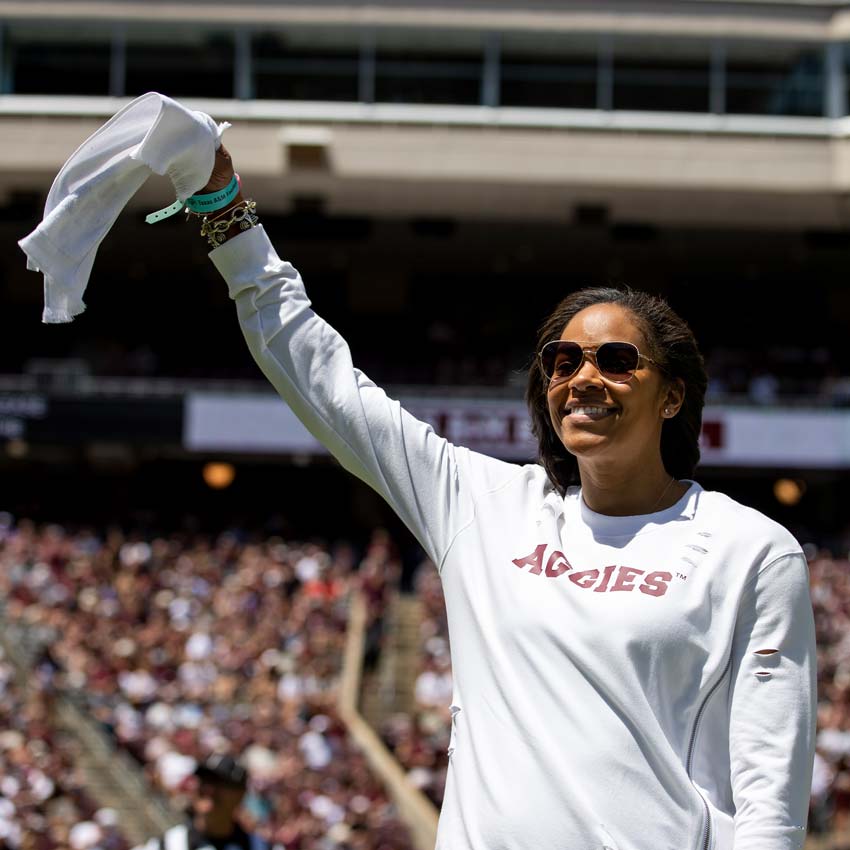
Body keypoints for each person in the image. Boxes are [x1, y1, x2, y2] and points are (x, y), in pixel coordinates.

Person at [194, 145, 817, 850]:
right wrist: (224, 211)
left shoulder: (753, 552)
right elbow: (325, 383)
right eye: (564, 359)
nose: (584, 377)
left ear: (673, 393)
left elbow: (771, 794)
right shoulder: (482, 505)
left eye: (617, 361)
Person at [133, 755, 266, 850]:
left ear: (240, 794)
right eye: (203, 780)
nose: (207, 789)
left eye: (219, 783)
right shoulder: (166, 845)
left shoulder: (261, 846)